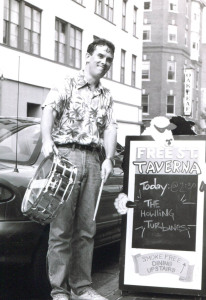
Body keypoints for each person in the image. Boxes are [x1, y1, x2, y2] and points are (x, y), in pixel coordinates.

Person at [41, 38, 117, 300]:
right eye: (100, 56)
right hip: (65, 157)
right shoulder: (68, 83)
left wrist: (109, 158)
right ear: (87, 57)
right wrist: (47, 140)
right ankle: (59, 291)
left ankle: (82, 287)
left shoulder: (106, 95)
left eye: (109, 59)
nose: (104, 62)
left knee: (86, 229)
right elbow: (49, 109)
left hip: (94, 161)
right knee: (61, 229)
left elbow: (110, 127)